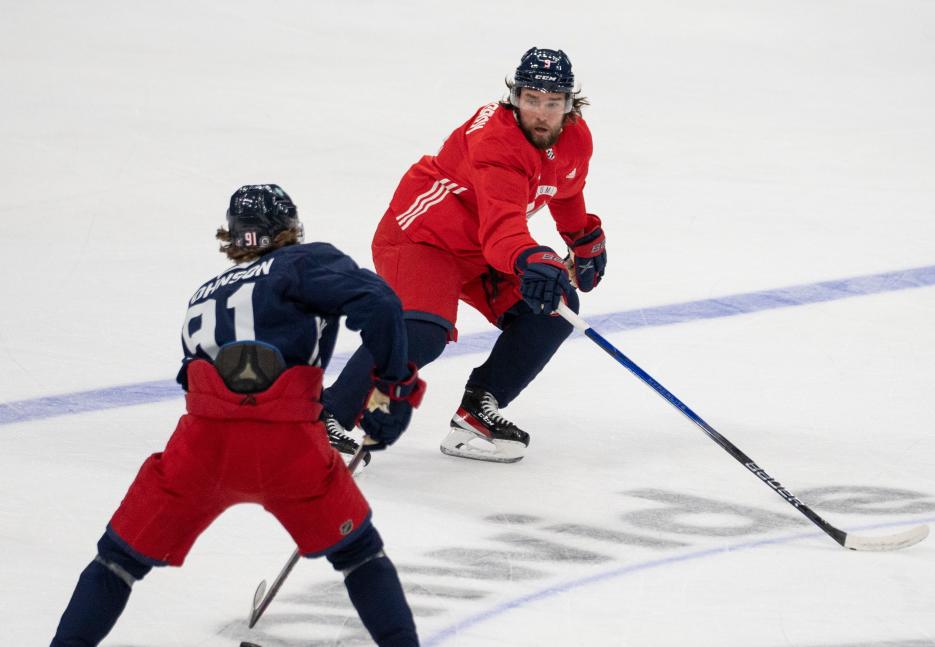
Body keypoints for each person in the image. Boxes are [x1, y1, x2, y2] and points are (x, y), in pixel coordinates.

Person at [51, 184, 424, 647]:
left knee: (115, 562)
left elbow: (194, 381)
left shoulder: (202, 295)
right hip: (289, 446)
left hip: (200, 448)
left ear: (232, 235)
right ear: (290, 229)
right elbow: (382, 304)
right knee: (360, 555)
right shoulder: (303, 261)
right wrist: (393, 387)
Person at [321, 47, 607, 464]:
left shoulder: (575, 137)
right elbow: (501, 235)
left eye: (552, 103)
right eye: (531, 100)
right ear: (515, 98)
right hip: (422, 237)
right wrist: (534, 257)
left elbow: (564, 185)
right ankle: (325, 416)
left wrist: (580, 236)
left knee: (553, 309)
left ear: (569, 104)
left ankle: (478, 412)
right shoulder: (496, 143)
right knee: (422, 331)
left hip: (480, 249)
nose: (541, 113)